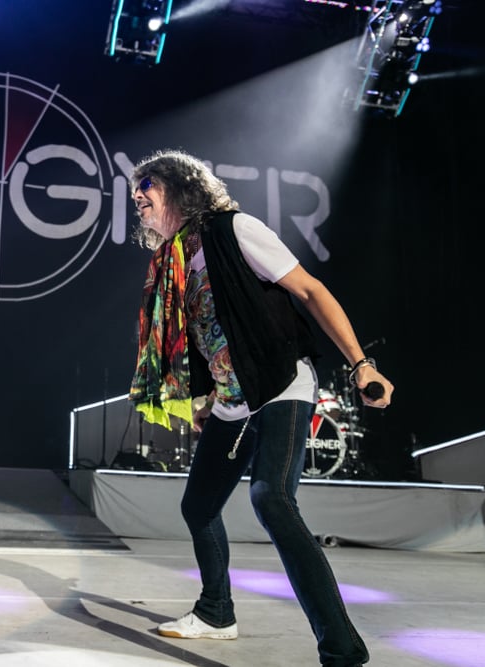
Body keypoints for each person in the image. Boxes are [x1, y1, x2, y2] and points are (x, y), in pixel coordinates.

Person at [127, 149, 393, 667]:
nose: (137, 196)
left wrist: (362, 364)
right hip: (233, 402)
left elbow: (311, 291)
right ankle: (215, 612)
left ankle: (342, 651)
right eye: (135, 190)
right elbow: (204, 333)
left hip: (280, 384)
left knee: (272, 498)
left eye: (148, 185)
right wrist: (206, 398)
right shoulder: (174, 258)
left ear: (181, 188)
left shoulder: (234, 230)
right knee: (198, 507)